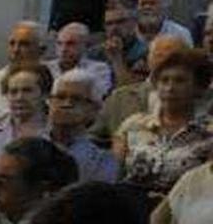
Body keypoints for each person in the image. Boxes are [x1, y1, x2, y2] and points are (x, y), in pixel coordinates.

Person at [112, 44, 213, 192]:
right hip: (130, 208)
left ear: (198, 87)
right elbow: (115, 176)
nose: (170, 88)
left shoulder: (209, 132)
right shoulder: (132, 125)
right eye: (164, 80)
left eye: (180, 81)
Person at [0, 64, 53, 170]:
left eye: (27, 91)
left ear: (45, 94)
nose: (19, 97)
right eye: (13, 92)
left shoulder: (58, 130)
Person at [46, 70, 120, 184]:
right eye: (60, 97)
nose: (66, 104)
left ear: (95, 109)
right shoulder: (30, 144)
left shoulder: (103, 160)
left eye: (76, 99)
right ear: (49, 102)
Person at [45, 21, 113, 101]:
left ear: (85, 45)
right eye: (59, 44)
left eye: (70, 44)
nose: (63, 49)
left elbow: (99, 96)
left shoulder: (99, 69)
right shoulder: (45, 68)